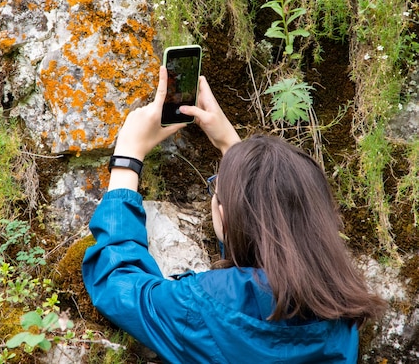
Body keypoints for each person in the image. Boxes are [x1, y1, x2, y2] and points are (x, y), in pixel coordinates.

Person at [82, 66, 387, 363]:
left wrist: (128, 155)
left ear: (224, 213)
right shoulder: (342, 305)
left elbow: (117, 281)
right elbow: (272, 242)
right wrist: (233, 148)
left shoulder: (203, 304)